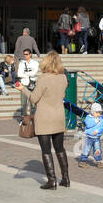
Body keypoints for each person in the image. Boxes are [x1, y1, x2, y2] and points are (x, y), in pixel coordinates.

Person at [18, 51, 70, 188]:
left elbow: (34, 98)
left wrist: (22, 88)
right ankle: (65, 178)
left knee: (46, 150)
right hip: (59, 117)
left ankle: (52, 180)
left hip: (44, 118)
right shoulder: (63, 78)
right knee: (60, 149)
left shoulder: (43, 78)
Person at [79, 102, 103, 168]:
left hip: (97, 137)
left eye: (99, 113)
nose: (98, 114)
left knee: (97, 149)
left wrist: (98, 130)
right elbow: (88, 125)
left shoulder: (100, 119)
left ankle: (98, 161)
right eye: (96, 113)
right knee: (87, 149)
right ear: (92, 112)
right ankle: (83, 161)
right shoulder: (88, 118)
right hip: (89, 137)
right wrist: (95, 122)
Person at [15, 48, 39, 117]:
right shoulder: (21, 63)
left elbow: (34, 73)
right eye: (24, 54)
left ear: (30, 54)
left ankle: (33, 117)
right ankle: (23, 119)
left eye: (27, 54)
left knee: (33, 103)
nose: (25, 56)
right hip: (23, 85)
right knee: (23, 103)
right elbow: (19, 74)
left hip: (32, 85)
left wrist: (25, 74)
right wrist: (29, 74)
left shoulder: (35, 63)